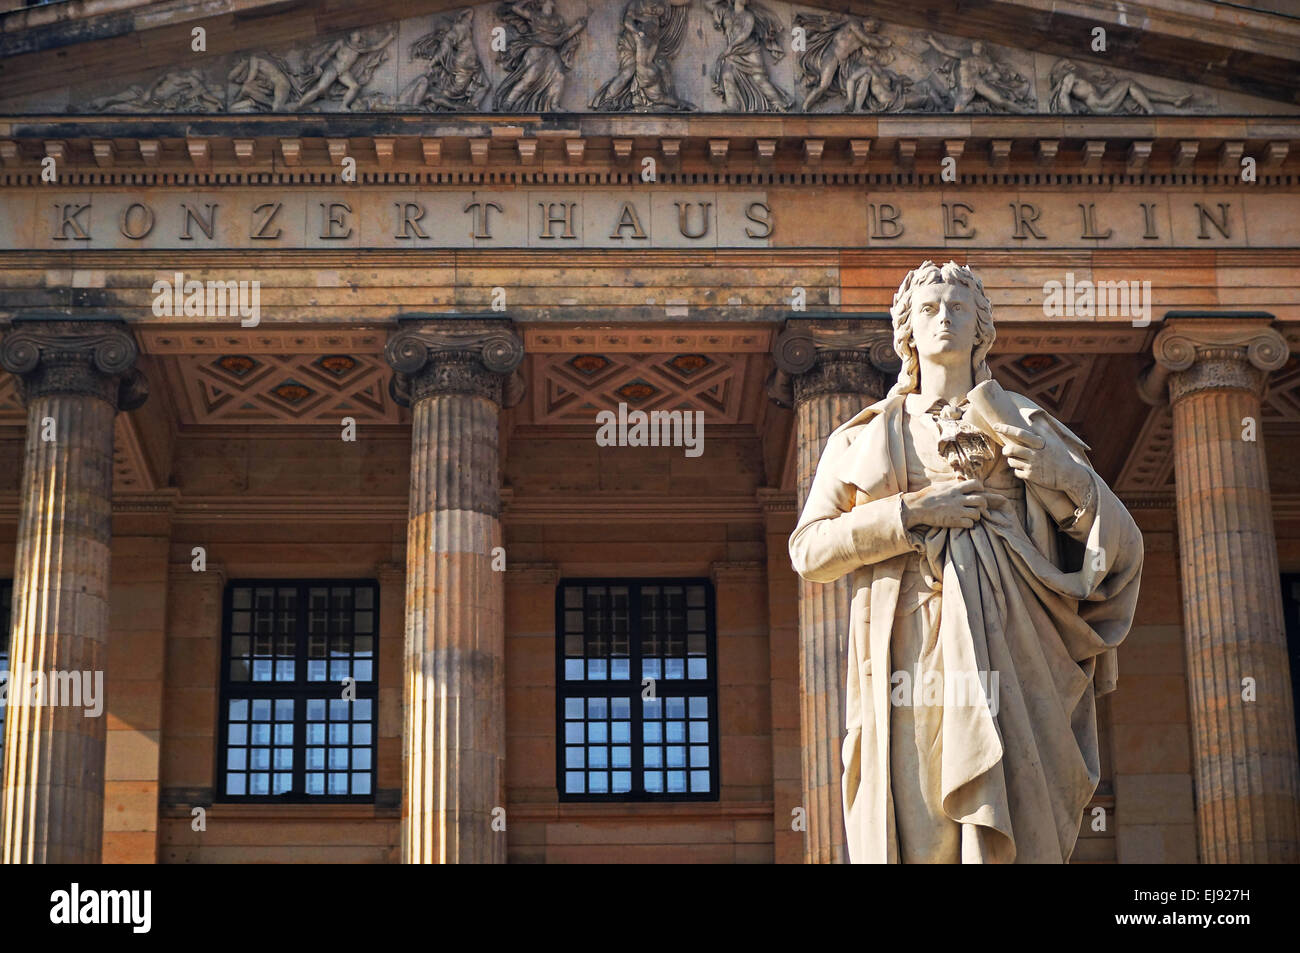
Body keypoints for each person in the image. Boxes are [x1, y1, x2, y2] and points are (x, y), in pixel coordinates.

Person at [789, 261, 1142, 863]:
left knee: (1019, 820)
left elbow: (1120, 550)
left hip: (1017, 645)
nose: (944, 319)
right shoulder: (861, 438)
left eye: (958, 308)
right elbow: (809, 550)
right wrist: (909, 513)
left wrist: (1072, 484)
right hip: (910, 646)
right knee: (922, 830)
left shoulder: (1029, 425)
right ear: (907, 331)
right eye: (928, 309)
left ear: (982, 329)